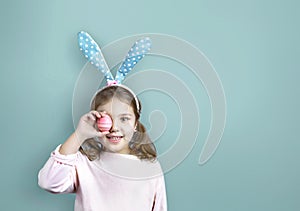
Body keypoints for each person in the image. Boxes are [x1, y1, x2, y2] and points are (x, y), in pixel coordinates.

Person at [38, 85, 168, 211]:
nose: (114, 128)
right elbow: (48, 182)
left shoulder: (150, 167)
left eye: (124, 119)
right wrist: (79, 134)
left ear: (135, 124)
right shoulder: (84, 163)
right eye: (107, 119)